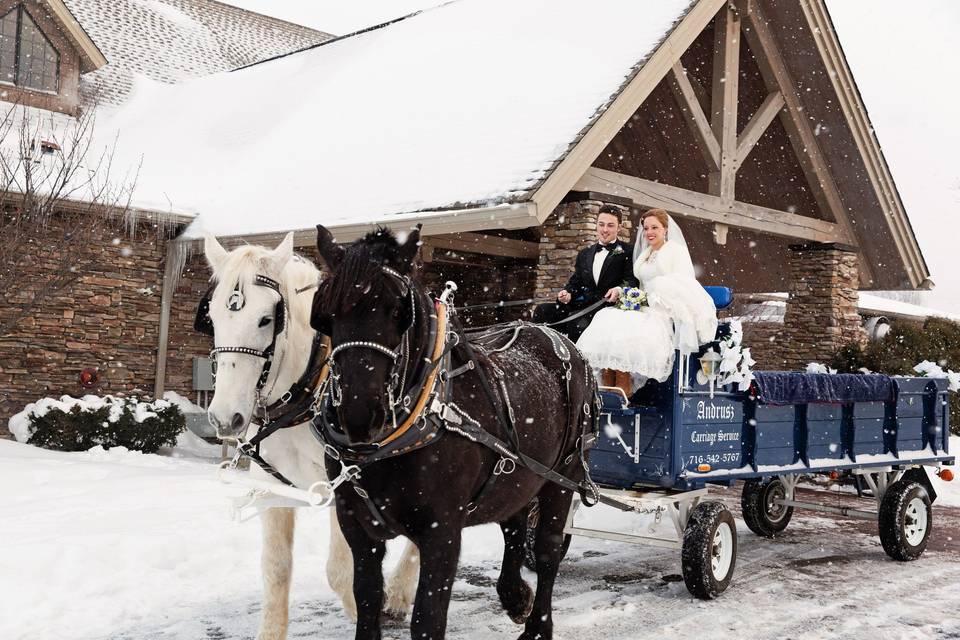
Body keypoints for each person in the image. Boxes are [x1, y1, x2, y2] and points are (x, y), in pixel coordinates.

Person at [576, 208, 718, 393]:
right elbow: (639, 284)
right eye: (646, 228)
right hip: (643, 304)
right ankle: (607, 386)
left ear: (665, 229)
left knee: (629, 329)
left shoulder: (676, 251)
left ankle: (623, 388)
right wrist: (631, 296)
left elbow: (682, 285)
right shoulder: (646, 253)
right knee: (607, 318)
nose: (649, 232)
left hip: (664, 308)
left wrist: (650, 297)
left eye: (654, 228)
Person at [532, 205, 639, 343]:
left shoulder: (628, 252)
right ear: (597, 225)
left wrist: (619, 290)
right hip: (583, 306)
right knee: (542, 311)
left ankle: (574, 362)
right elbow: (577, 281)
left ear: (619, 227)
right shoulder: (585, 253)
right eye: (601, 224)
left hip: (608, 309)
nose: (605, 230)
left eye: (610, 225)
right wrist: (568, 293)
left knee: (577, 324)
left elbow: (631, 280)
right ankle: (541, 354)